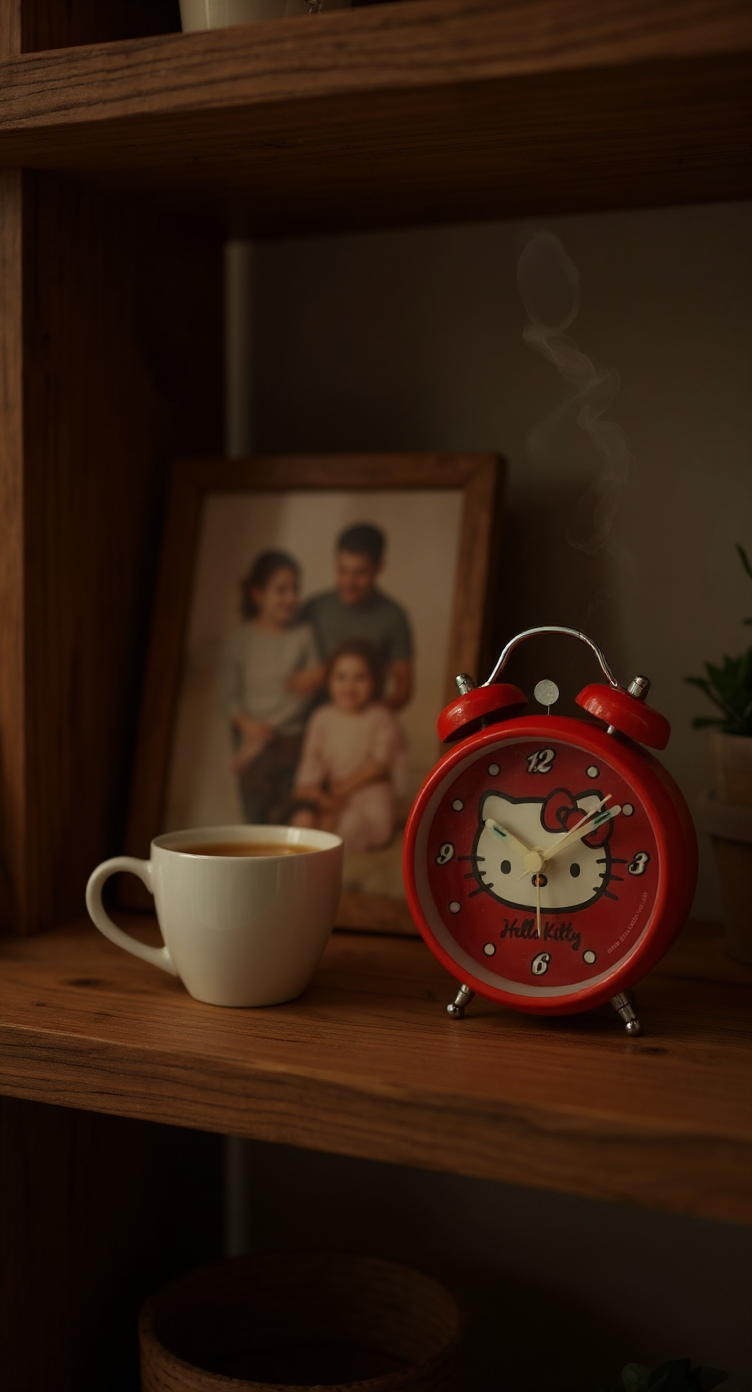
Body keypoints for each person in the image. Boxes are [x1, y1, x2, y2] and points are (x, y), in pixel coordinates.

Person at [218, 550, 321, 824]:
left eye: (295, 589)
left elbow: (306, 696)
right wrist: (249, 728)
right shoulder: (240, 639)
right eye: (281, 590)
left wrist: (265, 732)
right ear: (257, 594)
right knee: (256, 804)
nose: (291, 598)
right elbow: (228, 696)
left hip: (291, 738)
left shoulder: (304, 635)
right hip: (251, 738)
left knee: (292, 807)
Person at [290, 639, 405, 853]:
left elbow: (379, 764)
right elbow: (312, 758)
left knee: (348, 828)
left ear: (375, 681)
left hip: (368, 796)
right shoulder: (321, 717)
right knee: (302, 821)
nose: (349, 686)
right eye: (341, 677)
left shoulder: (381, 717)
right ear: (329, 680)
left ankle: (330, 836)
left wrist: (345, 788)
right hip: (332, 795)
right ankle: (323, 829)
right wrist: (314, 791)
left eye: (359, 678)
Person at [301, 523, 414, 710]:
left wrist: (370, 721)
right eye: (342, 570)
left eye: (359, 573)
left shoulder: (393, 616)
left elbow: (404, 687)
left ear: (379, 567)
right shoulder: (314, 607)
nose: (348, 582)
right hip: (312, 723)